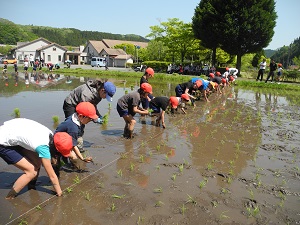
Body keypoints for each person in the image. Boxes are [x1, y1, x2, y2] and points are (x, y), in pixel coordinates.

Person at [0, 118, 73, 199]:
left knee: (37, 162)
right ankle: (10, 196)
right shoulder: (43, 148)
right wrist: (60, 193)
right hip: (3, 141)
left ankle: (31, 186)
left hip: (11, 132)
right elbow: (52, 176)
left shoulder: (52, 136)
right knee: (31, 171)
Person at [63, 80, 116, 152]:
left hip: (82, 104)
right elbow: (85, 110)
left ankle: (77, 146)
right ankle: (70, 146)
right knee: (74, 125)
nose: (104, 98)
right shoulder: (87, 95)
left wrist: (98, 116)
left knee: (81, 126)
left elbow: (92, 106)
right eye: (105, 96)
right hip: (71, 104)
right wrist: (95, 119)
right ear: (103, 90)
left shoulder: (98, 93)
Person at [55, 102, 96, 169]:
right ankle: (75, 168)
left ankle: (64, 160)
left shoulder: (74, 116)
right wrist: (82, 158)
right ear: (80, 116)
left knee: (71, 154)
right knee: (74, 157)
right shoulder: (73, 128)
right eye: (89, 118)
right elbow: (74, 146)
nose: (91, 120)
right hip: (59, 142)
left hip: (63, 137)